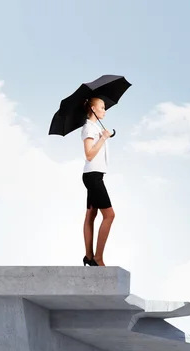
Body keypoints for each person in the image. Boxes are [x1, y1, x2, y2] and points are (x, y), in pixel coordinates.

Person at [81, 97, 114, 266]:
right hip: (93, 176)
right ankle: (98, 258)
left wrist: (103, 136)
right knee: (109, 215)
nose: (104, 110)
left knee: (91, 215)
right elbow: (88, 154)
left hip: (94, 175)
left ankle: (88, 256)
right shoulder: (88, 128)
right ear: (93, 109)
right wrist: (103, 138)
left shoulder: (94, 128)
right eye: (102, 107)